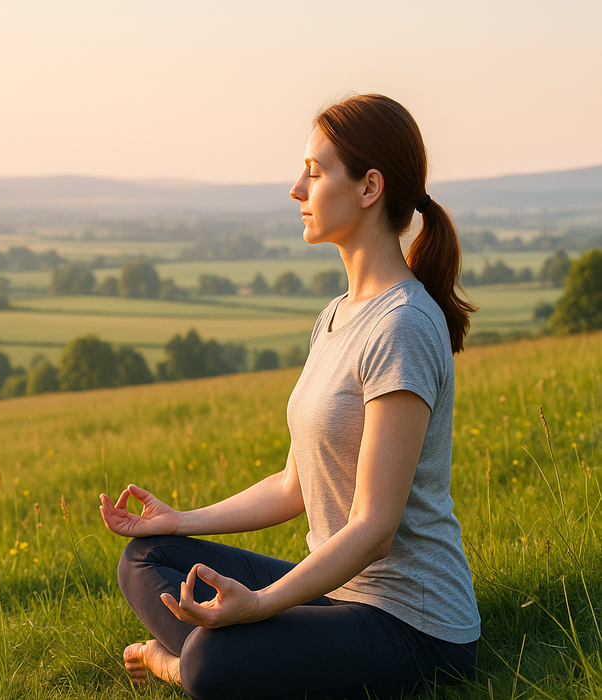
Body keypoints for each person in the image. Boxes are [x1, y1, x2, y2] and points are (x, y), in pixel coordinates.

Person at [99, 94, 480, 700]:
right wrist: (179, 519)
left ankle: (182, 663)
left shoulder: (402, 325)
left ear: (369, 187)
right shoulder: (335, 316)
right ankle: (221, 656)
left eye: (315, 172)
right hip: (338, 595)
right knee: (147, 557)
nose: (296, 189)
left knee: (212, 660)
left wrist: (261, 605)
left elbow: (374, 529)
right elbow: (292, 487)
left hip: (412, 624)